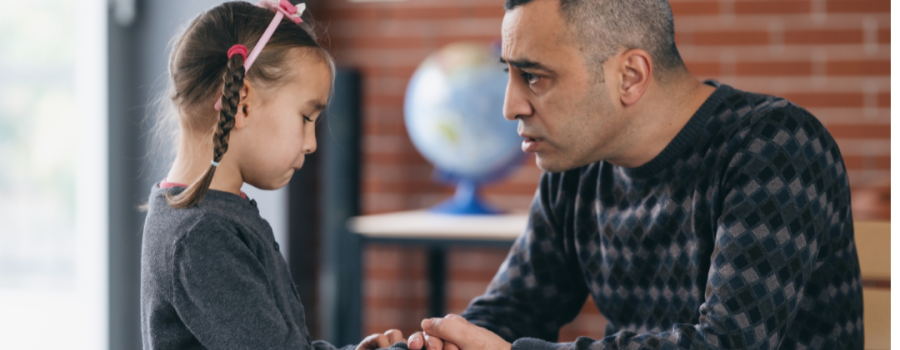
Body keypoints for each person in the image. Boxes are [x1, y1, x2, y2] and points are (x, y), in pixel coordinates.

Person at [407, 0, 863, 349]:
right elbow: (514, 309)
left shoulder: (774, 144)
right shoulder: (578, 168)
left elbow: (728, 343)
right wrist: (443, 340)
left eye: (535, 77)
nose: (511, 107)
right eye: (509, 72)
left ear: (630, 76)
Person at [140, 1, 408, 349]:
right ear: (241, 103)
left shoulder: (207, 217)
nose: (311, 144)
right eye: (306, 118)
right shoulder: (201, 236)